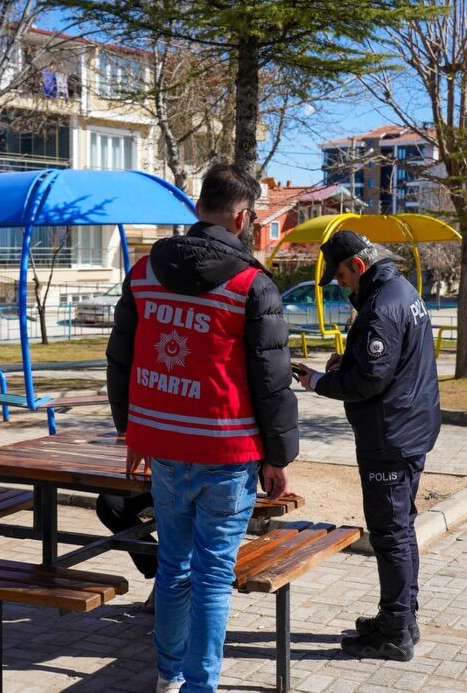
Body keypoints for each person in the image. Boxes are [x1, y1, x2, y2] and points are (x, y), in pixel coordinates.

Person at [106, 162, 299, 693]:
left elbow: (120, 356)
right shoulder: (250, 284)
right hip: (228, 449)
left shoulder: (144, 272)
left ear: (198, 209)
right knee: (213, 575)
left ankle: (168, 675)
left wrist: (131, 432)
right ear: (241, 218)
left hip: (165, 443)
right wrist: (278, 456)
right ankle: (199, 685)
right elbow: (272, 378)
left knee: (174, 567)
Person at [294, 230, 440, 663]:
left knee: (390, 533)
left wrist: (320, 381)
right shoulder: (402, 290)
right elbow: (384, 364)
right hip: (409, 428)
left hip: (389, 437)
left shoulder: (380, 307)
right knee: (401, 528)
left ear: (358, 266)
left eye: (341, 276)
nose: (341, 285)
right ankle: (400, 617)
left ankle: (395, 632)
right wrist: (349, 362)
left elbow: (369, 381)